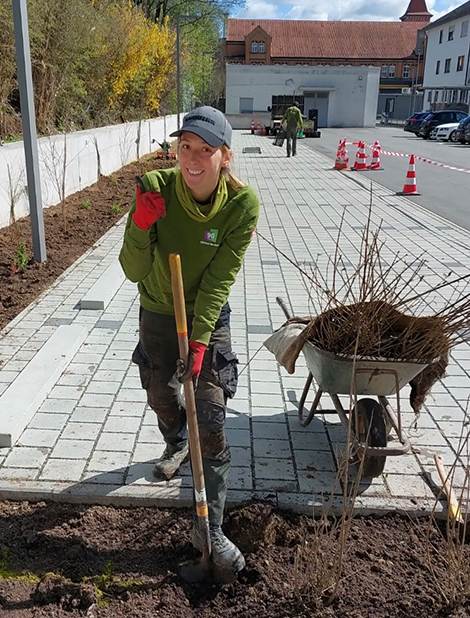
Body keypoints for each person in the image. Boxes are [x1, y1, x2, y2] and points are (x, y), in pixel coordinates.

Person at [119, 106, 259, 576]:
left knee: (213, 415)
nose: (193, 159)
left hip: (207, 318)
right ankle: (175, 438)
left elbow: (220, 279)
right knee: (160, 392)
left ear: (224, 157)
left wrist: (200, 343)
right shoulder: (154, 190)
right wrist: (140, 225)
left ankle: (211, 527)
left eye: (205, 149)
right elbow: (132, 270)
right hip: (158, 307)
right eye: (185, 147)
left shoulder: (242, 206)